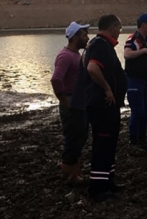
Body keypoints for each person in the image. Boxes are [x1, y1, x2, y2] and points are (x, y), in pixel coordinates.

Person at [71, 14, 127, 202]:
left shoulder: (102, 45)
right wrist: (107, 89)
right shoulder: (100, 45)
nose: (120, 31)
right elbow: (93, 69)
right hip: (101, 105)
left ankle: (108, 181)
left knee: (110, 144)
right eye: (119, 28)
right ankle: (97, 189)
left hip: (108, 106)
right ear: (112, 28)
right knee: (102, 144)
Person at [50, 21, 90, 183]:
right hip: (72, 101)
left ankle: (73, 171)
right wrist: (65, 101)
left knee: (80, 136)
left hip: (79, 101)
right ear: (75, 37)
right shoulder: (65, 56)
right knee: (73, 137)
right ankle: (69, 174)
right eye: (84, 35)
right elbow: (56, 79)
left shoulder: (75, 54)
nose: (87, 38)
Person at [125, 13, 147, 149]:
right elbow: (127, 54)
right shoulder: (133, 39)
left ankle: (143, 138)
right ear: (144, 25)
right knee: (138, 111)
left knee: (145, 111)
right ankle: (133, 141)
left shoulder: (146, 40)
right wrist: (143, 51)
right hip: (135, 80)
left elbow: (145, 57)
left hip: (146, 81)